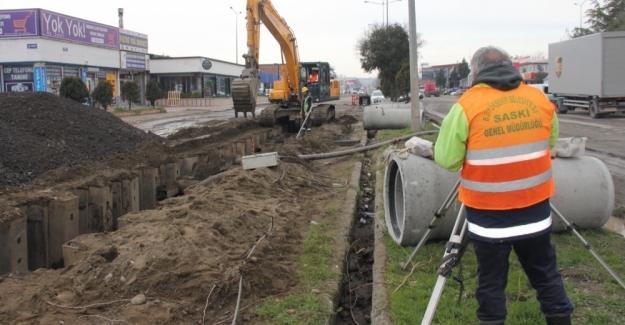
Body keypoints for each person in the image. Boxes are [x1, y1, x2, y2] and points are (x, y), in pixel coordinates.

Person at [434, 46, 574, 325]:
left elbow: (448, 160)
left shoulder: (466, 105)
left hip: (488, 219)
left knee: (491, 284)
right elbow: (549, 142)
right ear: (512, 67)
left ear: (475, 73)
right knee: (547, 278)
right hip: (535, 213)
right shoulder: (538, 98)